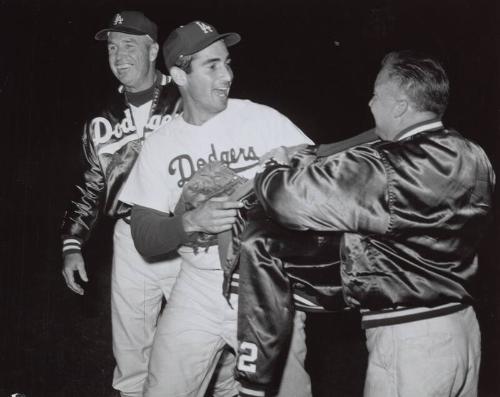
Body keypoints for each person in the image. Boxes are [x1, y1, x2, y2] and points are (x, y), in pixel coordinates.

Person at [250, 50, 495, 397]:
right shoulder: (474, 155)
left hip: (410, 340)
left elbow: (286, 200)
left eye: (377, 94)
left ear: (400, 106)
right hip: (464, 330)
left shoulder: (388, 165)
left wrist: (273, 168)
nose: (369, 103)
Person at [120, 20, 314, 397]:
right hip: (198, 288)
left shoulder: (261, 118)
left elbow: (322, 171)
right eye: (212, 66)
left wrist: (296, 159)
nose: (227, 74)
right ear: (179, 74)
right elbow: (143, 235)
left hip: (267, 285)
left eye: (227, 63)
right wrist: (191, 221)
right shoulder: (162, 144)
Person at [60, 11, 182, 397]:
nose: (118, 55)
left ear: (153, 49)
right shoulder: (102, 119)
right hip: (130, 237)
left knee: (206, 344)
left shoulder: (186, 98)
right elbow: (90, 186)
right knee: (131, 352)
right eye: (112, 47)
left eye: (129, 45)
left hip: (186, 235)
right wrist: (72, 243)